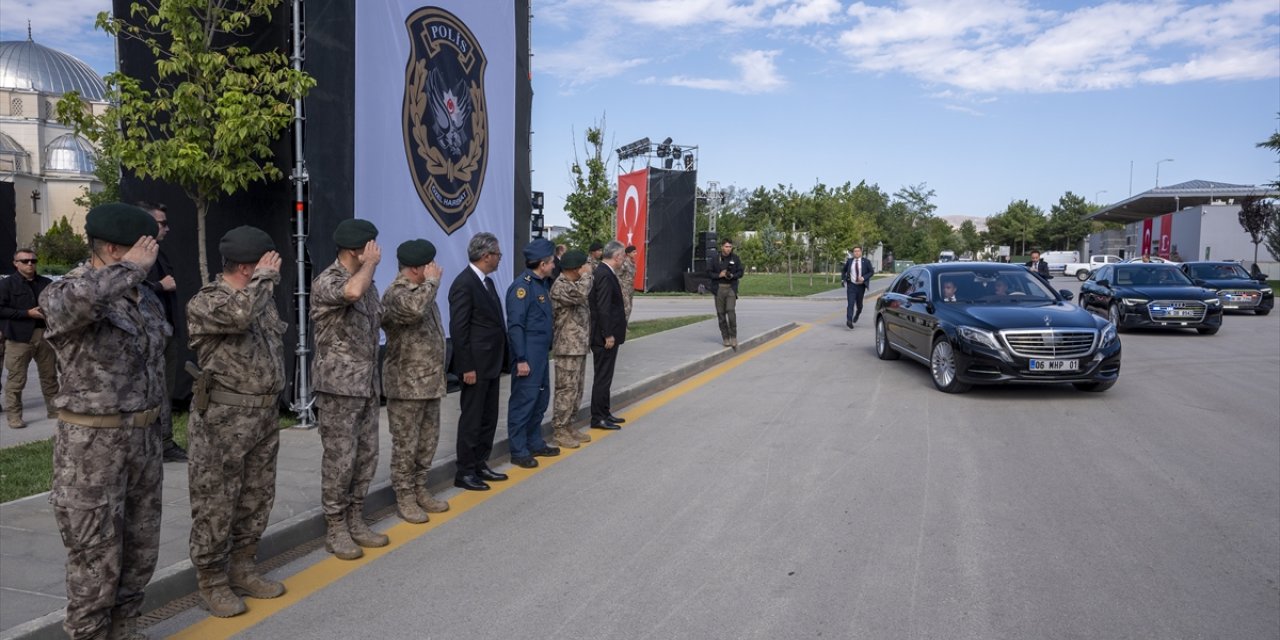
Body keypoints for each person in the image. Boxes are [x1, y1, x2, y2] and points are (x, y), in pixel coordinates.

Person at [39, 203, 166, 640]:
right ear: (114, 249)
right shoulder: (65, 292)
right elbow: (82, 303)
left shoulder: (143, 297)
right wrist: (131, 268)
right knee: (94, 561)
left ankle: (126, 630)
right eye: (143, 248)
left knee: (139, 552)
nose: (153, 255)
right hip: (91, 450)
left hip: (143, 443)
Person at [185, 226, 287, 617]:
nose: (273, 268)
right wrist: (264, 279)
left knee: (257, 497)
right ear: (247, 267)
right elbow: (240, 317)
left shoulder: (261, 297)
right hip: (224, 421)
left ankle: (243, 567)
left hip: (262, 417)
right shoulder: (208, 301)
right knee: (216, 502)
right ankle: (211, 580)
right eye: (265, 262)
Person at [311, 218, 387, 560]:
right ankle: (336, 526)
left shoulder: (367, 282)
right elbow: (351, 293)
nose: (376, 252)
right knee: (340, 460)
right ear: (357, 250)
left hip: (366, 384)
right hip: (339, 387)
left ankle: (356, 517)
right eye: (370, 247)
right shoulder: (330, 280)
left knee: (366, 455)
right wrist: (369, 265)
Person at [381, 239, 451, 523]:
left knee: (427, 442)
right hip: (407, 385)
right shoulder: (397, 293)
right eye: (428, 266)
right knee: (406, 445)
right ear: (414, 268)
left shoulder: (424, 291)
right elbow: (414, 311)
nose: (433, 270)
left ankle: (420, 488)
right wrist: (432, 284)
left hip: (430, 382)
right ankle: (405, 496)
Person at [448, 232, 510, 491]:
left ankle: (480, 463)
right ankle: (465, 471)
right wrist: (467, 367)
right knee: (472, 419)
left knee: (489, 417)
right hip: (475, 366)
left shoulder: (487, 282)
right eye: (498, 255)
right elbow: (459, 330)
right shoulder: (464, 283)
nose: (499, 259)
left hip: (491, 363)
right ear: (486, 256)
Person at [137, 201, 188, 462]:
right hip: (147, 338)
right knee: (150, 392)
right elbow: (130, 289)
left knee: (165, 391)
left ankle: (164, 441)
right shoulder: (134, 257)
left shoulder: (161, 253)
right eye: (161, 223)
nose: (166, 229)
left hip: (167, 332)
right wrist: (159, 285)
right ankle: (152, 443)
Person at [504, 238, 561, 469]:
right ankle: (518, 450)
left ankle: (534, 441)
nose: (554, 266)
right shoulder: (522, 287)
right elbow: (516, 326)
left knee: (540, 399)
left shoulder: (542, 284)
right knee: (523, 402)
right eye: (551, 262)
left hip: (541, 355)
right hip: (527, 355)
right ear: (543, 263)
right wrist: (521, 359)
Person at [0, 248, 58, 428]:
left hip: (45, 336)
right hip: (18, 338)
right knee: (16, 379)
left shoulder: (47, 283)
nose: (30, 264)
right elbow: (1, 309)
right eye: (25, 261)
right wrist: (27, 313)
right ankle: (14, 416)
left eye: (33, 260)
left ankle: (55, 410)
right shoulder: (7, 285)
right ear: (15, 264)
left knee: (50, 376)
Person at [550, 249, 593, 449]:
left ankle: (569, 426)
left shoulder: (573, 284)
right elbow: (581, 294)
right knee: (565, 390)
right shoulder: (560, 286)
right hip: (566, 347)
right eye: (584, 265)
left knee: (576, 389)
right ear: (576, 268)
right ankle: (559, 430)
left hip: (579, 346)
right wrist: (587, 275)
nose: (587, 268)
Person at [589, 241, 628, 430]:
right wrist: (608, 334)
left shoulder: (605, 272)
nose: (624, 260)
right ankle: (597, 417)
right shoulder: (604, 274)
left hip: (608, 334)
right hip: (604, 337)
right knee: (602, 377)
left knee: (607, 376)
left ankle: (605, 412)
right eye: (623, 256)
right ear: (617, 256)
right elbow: (603, 307)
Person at [707, 239, 744, 348]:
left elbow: (740, 272)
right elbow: (708, 272)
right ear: (722, 247)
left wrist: (733, 275)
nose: (728, 249)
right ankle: (725, 337)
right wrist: (719, 275)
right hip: (718, 288)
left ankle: (733, 336)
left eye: (730, 247)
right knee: (721, 314)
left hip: (731, 288)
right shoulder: (714, 259)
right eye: (726, 246)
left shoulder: (735, 258)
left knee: (730, 310)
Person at [840, 246, 874, 328]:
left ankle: (858, 313)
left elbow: (871, 272)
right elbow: (844, 270)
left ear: (861, 252)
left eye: (858, 251)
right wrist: (843, 279)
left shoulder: (866, 261)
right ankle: (849, 321)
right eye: (855, 251)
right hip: (851, 285)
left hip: (861, 286)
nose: (856, 252)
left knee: (859, 305)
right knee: (850, 304)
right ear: (853, 253)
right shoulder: (849, 261)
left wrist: (863, 278)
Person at [620, 244, 638, 322]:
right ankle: (623, 326)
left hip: (630, 288)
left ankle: (625, 324)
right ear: (628, 253)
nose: (635, 253)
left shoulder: (633, 263)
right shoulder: (624, 263)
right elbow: (618, 274)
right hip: (624, 288)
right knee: (625, 308)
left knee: (630, 307)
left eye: (635, 252)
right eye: (633, 252)